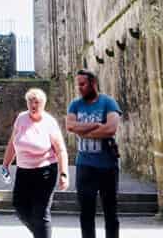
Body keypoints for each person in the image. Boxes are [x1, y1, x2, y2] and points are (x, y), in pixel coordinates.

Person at [2, 86, 69, 238]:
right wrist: (5, 165)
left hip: (45, 171)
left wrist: (64, 174)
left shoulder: (49, 122)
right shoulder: (21, 119)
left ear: (43, 104)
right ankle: (41, 234)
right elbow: (13, 143)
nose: (33, 105)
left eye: (37, 102)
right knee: (20, 207)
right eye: (30, 102)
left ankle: (41, 234)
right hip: (23, 171)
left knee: (41, 212)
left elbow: (61, 150)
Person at [65, 69, 121, 238]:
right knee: (86, 212)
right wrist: (97, 125)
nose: (79, 88)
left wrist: (82, 130)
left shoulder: (108, 103)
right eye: (78, 84)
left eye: (82, 84)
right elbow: (70, 126)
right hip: (85, 166)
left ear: (93, 84)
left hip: (107, 166)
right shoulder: (75, 104)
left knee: (110, 211)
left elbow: (111, 129)